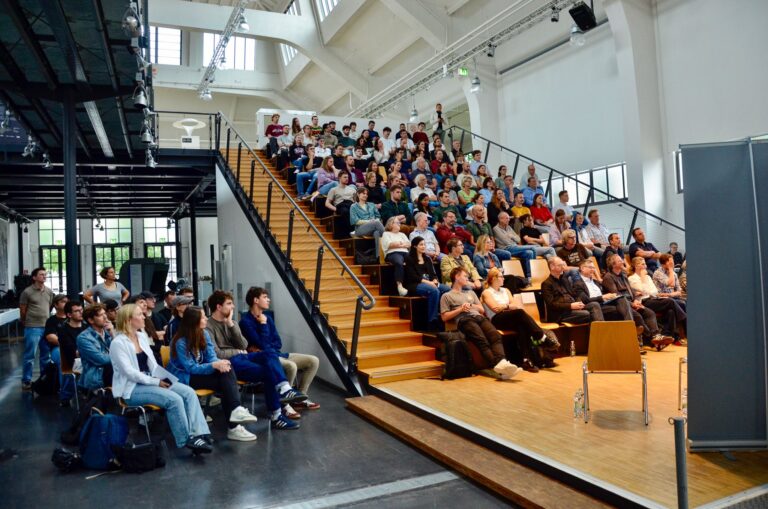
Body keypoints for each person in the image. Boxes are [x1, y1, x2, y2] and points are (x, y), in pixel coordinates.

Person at [110, 304, 213, 453]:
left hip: (151, 380)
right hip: (132, 389)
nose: (144, 316)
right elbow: (130, 373)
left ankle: (200, 433)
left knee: (189, 392)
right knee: (174, 399)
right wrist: (156, 382)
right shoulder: (117, 343)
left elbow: (152, 364)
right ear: (128, 320)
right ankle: (187, 440)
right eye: (140, 314)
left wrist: (165, 379)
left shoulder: (141, 336)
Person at [206, 291, 304, 428]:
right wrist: (237, 351)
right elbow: (217, 354)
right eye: (229, 304)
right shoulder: (208, 326)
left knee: (269, 352)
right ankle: (277, 416)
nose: (233, 306)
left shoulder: (232, 322)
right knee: (269, 371)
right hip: (229, 363)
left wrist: (230, 325)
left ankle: (285, 388)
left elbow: (244, 345)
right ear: (218, 307)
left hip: (243, 357)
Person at [168, 306, 259, 442]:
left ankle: (236, 412)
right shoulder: (180, 342)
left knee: (226, 369)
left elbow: (211, 357)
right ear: (194, 321)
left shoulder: (203, 334)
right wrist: (213, 365)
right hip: (184, 378)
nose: (206, 318)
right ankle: (234, 426)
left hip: (199, 372)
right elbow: (191, 368)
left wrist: (219, 363)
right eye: (203, 317)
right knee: (225, 382)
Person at [239, 287, 321, 411]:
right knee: (291, 366)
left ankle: (299, 398)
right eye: (265, 297)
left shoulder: (268, 318)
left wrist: (266, 344)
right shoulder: (245, 322)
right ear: (256, 300)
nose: (269, 300)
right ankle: (284, 404)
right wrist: (263, 325)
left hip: (278, 354)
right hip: (265, 358)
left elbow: (278, 342)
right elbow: (263, 344)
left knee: (313, 360)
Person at [440, 267, 520, 378]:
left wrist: (472, 306)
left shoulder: (471, 292)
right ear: (457, 277)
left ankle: (502, 363)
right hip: (464, 320)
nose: (467, 279)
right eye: (465, 276)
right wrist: (460, 309)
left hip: (479, 317)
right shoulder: (446, 296)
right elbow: (444, 317)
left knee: (496, 336)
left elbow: (482, 309)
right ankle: (499, 368)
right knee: (482, 340)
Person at [481, 268, 559, 371]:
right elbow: (495, 309)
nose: (503, 278)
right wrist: (508, 306)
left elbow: (514, 305)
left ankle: (527, 360)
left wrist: (504, 306)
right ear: (494, 278)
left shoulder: (506, 290)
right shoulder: (487, 292)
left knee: (522, 326)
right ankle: (541, 336)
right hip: (497, 320)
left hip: (510, 317)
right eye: (501, 276)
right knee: (520, 313)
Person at [601, 254, 675, 350]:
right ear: (613, 264)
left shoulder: (623, 275)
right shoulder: (608, 277)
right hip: (620, 304)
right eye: (619, 261)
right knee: (638, 316)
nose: (623, 262)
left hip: (631, 302)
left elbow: (631, 291)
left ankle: (656, 336)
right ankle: (653, 339)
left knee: (649, 313)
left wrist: (635, 299)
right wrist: (632, 304)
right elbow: (616, 295)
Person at [629, 257, 687, 342]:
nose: (645, 266)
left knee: (670, 310)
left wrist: (646, 289)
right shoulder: (632, 278)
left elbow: (654, 291)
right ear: (636, 266)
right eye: (642, 264)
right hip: (643, 301)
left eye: (645, 263)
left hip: (653, 299)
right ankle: (685, 322)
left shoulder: (648, 277)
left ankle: (668, 335)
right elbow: (644, 290)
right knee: (670, 301)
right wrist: (642, 278)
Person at [20, 267, 54, 391]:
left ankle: (44, 379)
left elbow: (49, 307)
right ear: (34, 277)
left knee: (46, 355)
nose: (44, 276)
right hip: (32, 327)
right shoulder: (27, 292)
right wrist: (25, 321)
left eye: (45, 274)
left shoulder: (49, 292)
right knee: (30, 355)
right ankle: (26, 380)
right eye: (41, 274)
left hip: (46, 327)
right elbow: (23, 309)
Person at [404, 237, 450, 329]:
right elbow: (413, 276)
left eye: (424, 244)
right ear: (414, 246)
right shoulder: (409, 258)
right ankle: (432, 319)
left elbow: (433, 274)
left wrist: (435, 280)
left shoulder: (427, 258)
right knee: (434, 291)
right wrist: (429, 283)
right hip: (415, 284)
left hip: (430, 283)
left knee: (448, 289)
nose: (423, 246)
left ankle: (444, 314)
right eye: (421, 244)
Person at [541, 257, 603, 324]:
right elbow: (551, 304)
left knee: (594, 305)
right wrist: (570, 306)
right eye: (560, 265)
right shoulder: (546, 284)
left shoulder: (564, 279)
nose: (563, 267)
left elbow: (574, 294)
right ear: (552, 267)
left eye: (563, 265)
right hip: (560, 314)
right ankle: (597, 332)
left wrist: (579, 303)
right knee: (586, 314)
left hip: (573, 308)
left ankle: (599, 332)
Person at [51, 299, 87, 406]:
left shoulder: (87, 327)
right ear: (69, 315)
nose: (81, 313)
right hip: (72, 360)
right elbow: (72, 351)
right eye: (77, 311)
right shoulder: (63, 330)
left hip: (86, 357)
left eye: (81, 310)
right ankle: (67, 395)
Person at [77, 303, 115, 392]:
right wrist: (120, 356)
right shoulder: (83, 338)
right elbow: (101, 359)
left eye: (105, 313)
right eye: (101, 315)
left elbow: (120, 349)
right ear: (91, 320)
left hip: (112, 370)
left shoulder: (107, 333)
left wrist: (112, 333)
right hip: (97, 376)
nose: (105, 317)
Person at [492, 212, 536, 280]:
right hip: (506, 248)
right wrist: (513, 238)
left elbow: (518, 239)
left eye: (509, 218)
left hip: (514, 247)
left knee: (529, 253)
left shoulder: (509, 227)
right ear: (501, 219)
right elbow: (506, 242)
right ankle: (534, 273)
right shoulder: (496, 229)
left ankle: (529, 276)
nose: (509, 219)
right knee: (533, 247)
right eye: (506, 218)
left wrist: (511, 236)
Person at [382, 217, 411, 296]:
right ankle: (400, 286)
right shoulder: (386, 234)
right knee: (399, 262)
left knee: (414, 260)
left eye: (399, 223)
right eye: (397, 223)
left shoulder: (402, 234)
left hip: (405, 252)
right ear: (391, 224)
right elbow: (390, 245)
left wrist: (398, 243)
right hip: (392, 253)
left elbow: (409, 244)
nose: (399, 224)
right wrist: (402, 244)